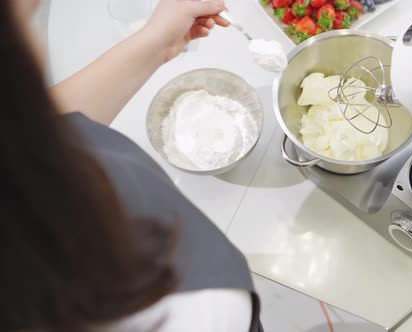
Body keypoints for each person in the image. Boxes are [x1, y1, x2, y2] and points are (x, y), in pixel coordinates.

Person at [0, 0, 263, 331]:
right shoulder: (182, 309)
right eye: (25, 21)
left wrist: (158, 40)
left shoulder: (20, 146)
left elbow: (42, 126)